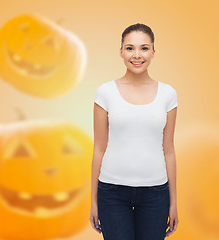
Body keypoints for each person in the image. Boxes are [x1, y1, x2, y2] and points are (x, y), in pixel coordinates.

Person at [90, 23, 179, 240]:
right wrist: (93, 201)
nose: (137, 55)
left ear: (153, 53)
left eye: (144, 48)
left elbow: (168, 150)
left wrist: (173, 201)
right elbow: (99, 148)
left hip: (156, 193)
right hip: (111, 192)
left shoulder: (168, 94)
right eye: (130, 48)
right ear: (121, 52)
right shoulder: (105, 92)